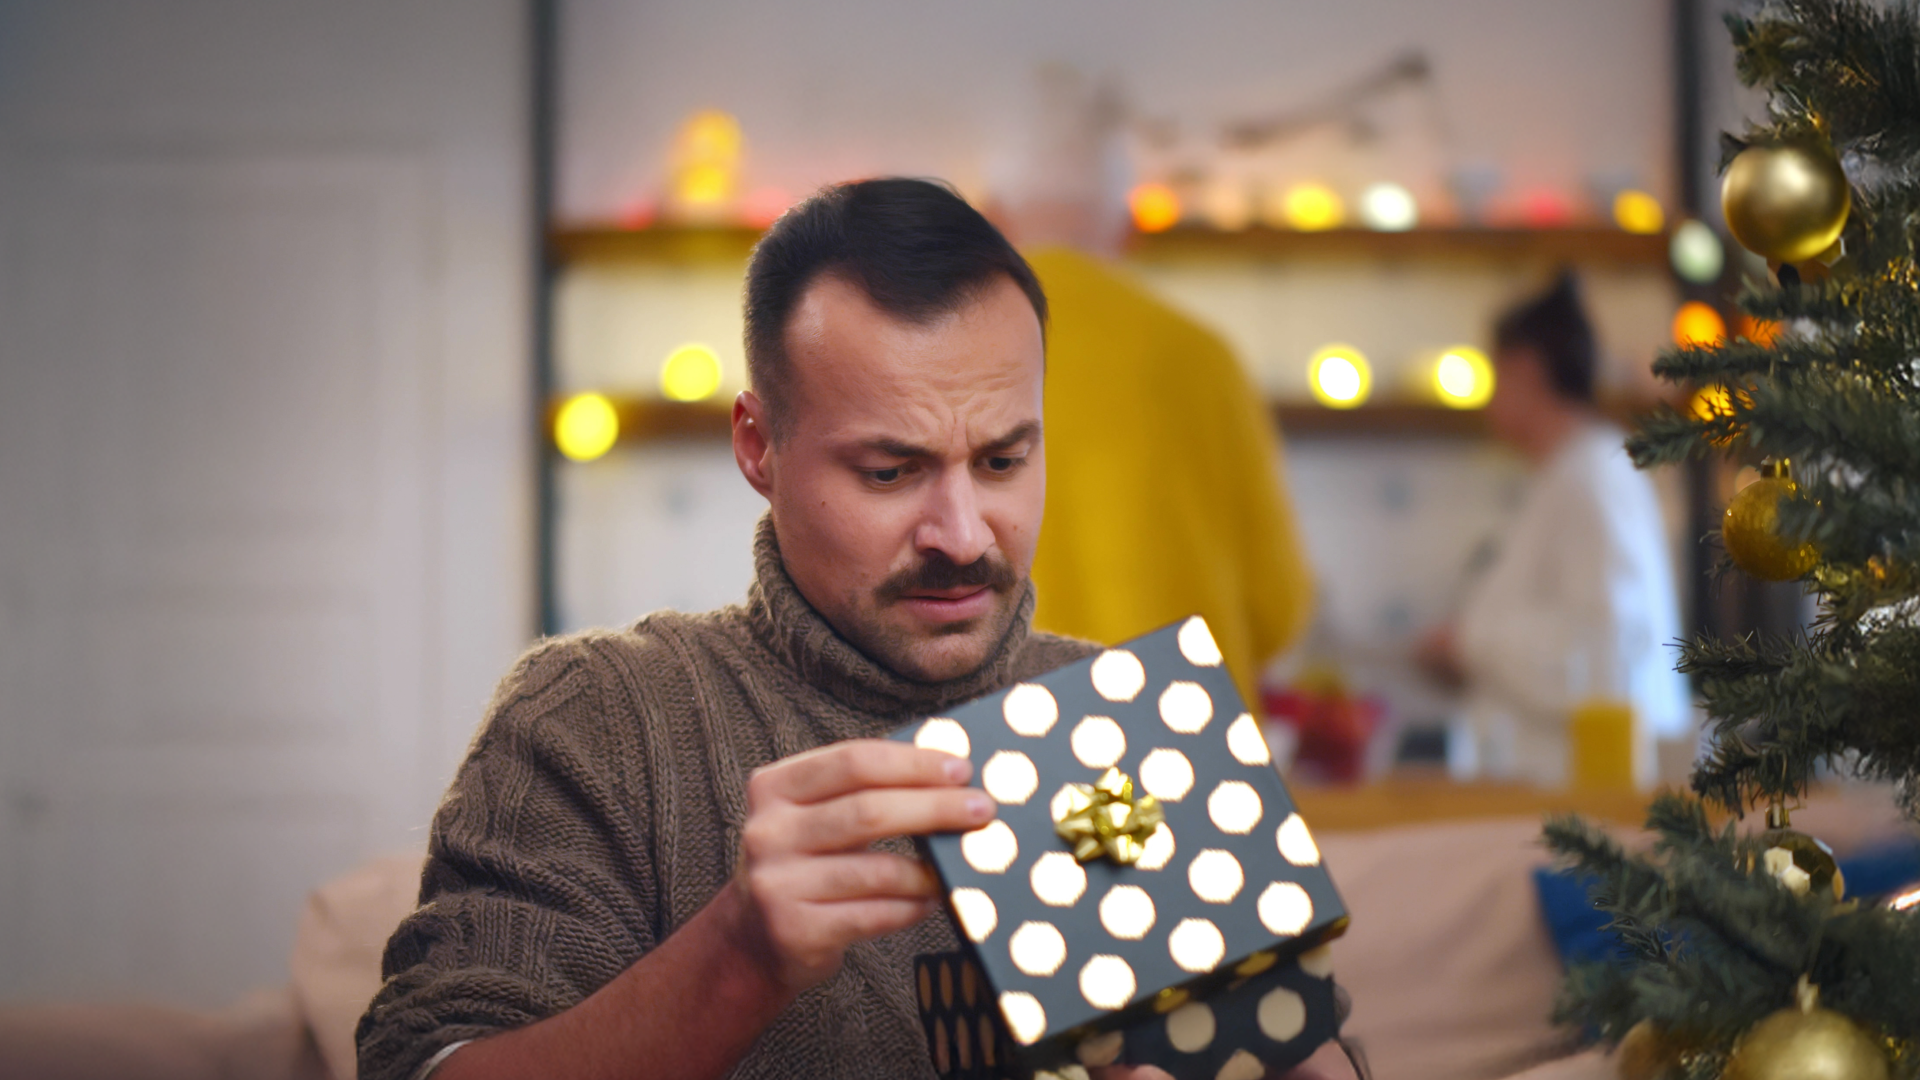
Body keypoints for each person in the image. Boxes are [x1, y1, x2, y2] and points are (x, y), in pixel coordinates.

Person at [357, 180, 1295, 1080]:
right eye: (890, 472)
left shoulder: (1133, 724)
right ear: (758, 447)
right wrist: (737, 956)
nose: (963, 535)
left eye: (1003, 461)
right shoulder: (595, 719)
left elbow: (1300, 1053)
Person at [1417, 272, 1690, 788]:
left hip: (1583, 800)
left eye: (1493, 373)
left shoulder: (1592, 479)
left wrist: (1469, 641)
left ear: (1525, 369)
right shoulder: (1569, 475)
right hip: (1554, 791)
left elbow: (1608, 650)